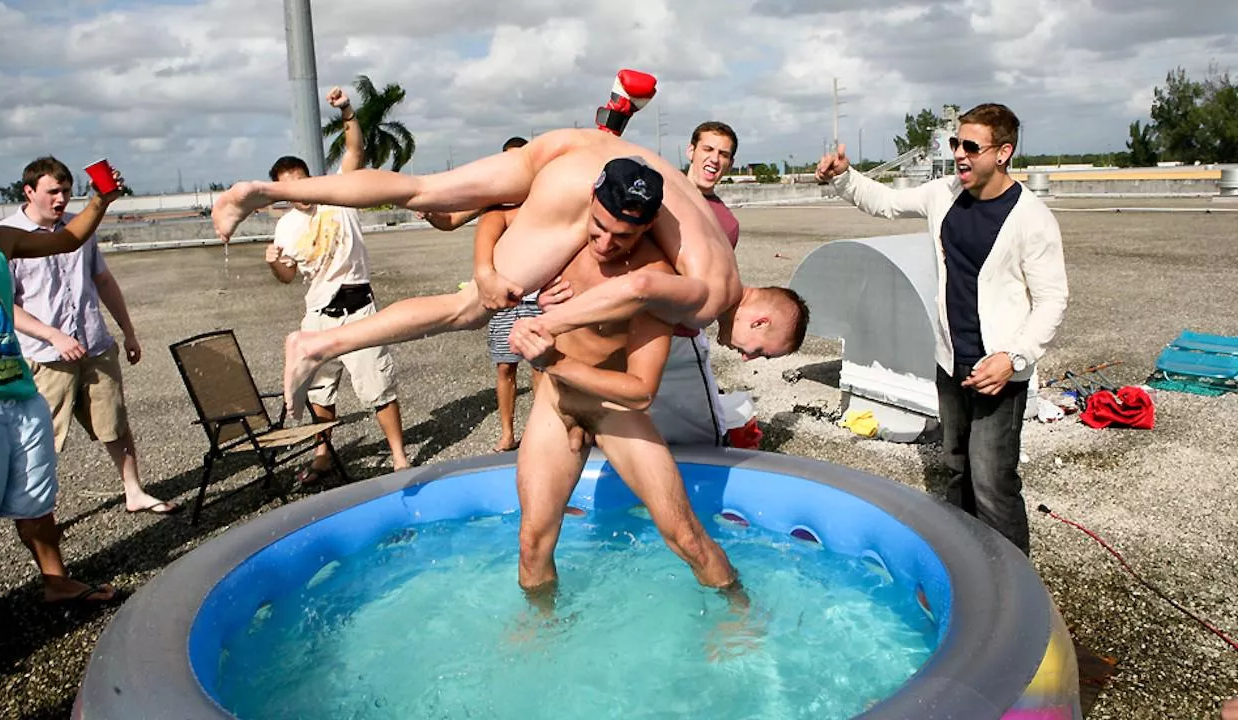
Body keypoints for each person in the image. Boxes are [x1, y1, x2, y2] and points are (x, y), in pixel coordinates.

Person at [213, 118, 808, 415]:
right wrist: (556, 320)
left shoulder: (722, 248)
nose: (748, 358)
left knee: (421, 189)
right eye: (762, 350)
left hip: (578, 144)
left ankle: (257, 193)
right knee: (472, 306)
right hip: (583, 183)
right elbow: (644, 283)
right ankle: (319, 345)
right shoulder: (710, 299)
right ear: (759, 319)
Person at [814, 103, 1068, 555]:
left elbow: (1052, 301)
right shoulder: (945, 193)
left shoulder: (1032, 219)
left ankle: (1014, 584)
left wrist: (1014, 358)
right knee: (954, 466)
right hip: (951, 362)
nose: (960, 155)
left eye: (972, 146)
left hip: (999, 373)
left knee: (992, 481)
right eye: (956, 143)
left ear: (1003, 152)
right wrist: (844, 177)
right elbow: (888, 203)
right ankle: (968, 561)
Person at [507, 156, 740, 605]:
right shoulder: (563, 238)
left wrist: (550, 359)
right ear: (591, 200)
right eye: (599, 227)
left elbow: (640, 391)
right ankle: (541, 638)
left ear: (648, 225)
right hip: (554, 404)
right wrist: (497, 278)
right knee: (532, 543)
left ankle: (740, 613)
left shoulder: (653, 280)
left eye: (624, 236)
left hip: (613, 408)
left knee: (685, 536)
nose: (606, 243)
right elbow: (495, 216)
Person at [0, 154, 122, 629]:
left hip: (16, 388)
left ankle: (55, 580)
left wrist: (101, 200)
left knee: (36, 493)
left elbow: (70, 237)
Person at [0, 156, 177, 515]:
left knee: (115, 424)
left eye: (65, 191)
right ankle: (37, 513)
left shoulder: (79, 228)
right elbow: (6, 305)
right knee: (43, 440)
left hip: (95, 345)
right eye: (52, 192)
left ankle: (134, 491)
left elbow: (104, 281)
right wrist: (52, 336)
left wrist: (128, 331)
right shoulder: (7, 237)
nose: (60, 199)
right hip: (46, 357)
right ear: (29, 191)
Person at [264, 85, 410, 477]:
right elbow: (288, 276)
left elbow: (355, 152)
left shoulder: (337, 197)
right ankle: (323, 454)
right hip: (317, 314)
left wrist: (346, 109)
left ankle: (398, 457)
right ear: (281, 190)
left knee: (379, 387)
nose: (299, 190)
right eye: (288, 185)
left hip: (358, 308)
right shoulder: (285, 227)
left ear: (311, 179)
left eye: (301, 180)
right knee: (319, 390)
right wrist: (275, 263)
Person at [419, 136, 554, 452]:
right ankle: (507, 433)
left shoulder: (543, 197)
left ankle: (539, 430)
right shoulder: (493, 201)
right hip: (501, 298)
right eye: (507, 160)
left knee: (540, 367)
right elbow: (450, 220)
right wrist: (430, 212)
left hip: (539, 297)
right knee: (505, 367)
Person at [645, 120, 742, 445]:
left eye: (724, 154)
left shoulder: (726, 223)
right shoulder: (655, 194)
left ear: (730, 163)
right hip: (636, 330)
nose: (715, 159)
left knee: (710, 437)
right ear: (691, 150)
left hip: (682, 339)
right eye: (708, 149)